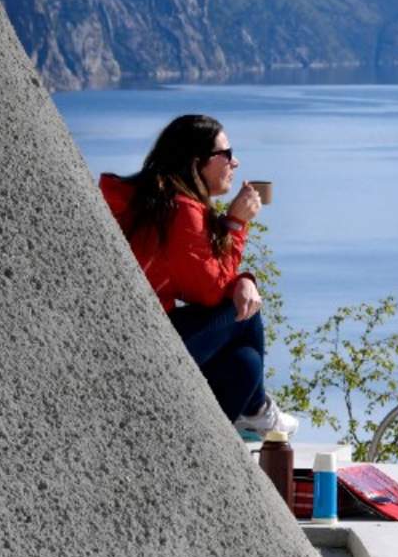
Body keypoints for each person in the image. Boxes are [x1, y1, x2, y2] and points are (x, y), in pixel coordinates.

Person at [99, 114, 297, 437]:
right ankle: (258, 413)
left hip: (139, 337)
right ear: (198, 163)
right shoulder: (180, 211)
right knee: (244, 311)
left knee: (246, 365)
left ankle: (240, 420)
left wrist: (242, 278)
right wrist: (236, 224)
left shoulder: (163, 201)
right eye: (227, 155)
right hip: (142, 349)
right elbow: (210, 292)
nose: (236, 162)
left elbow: (202, 278)